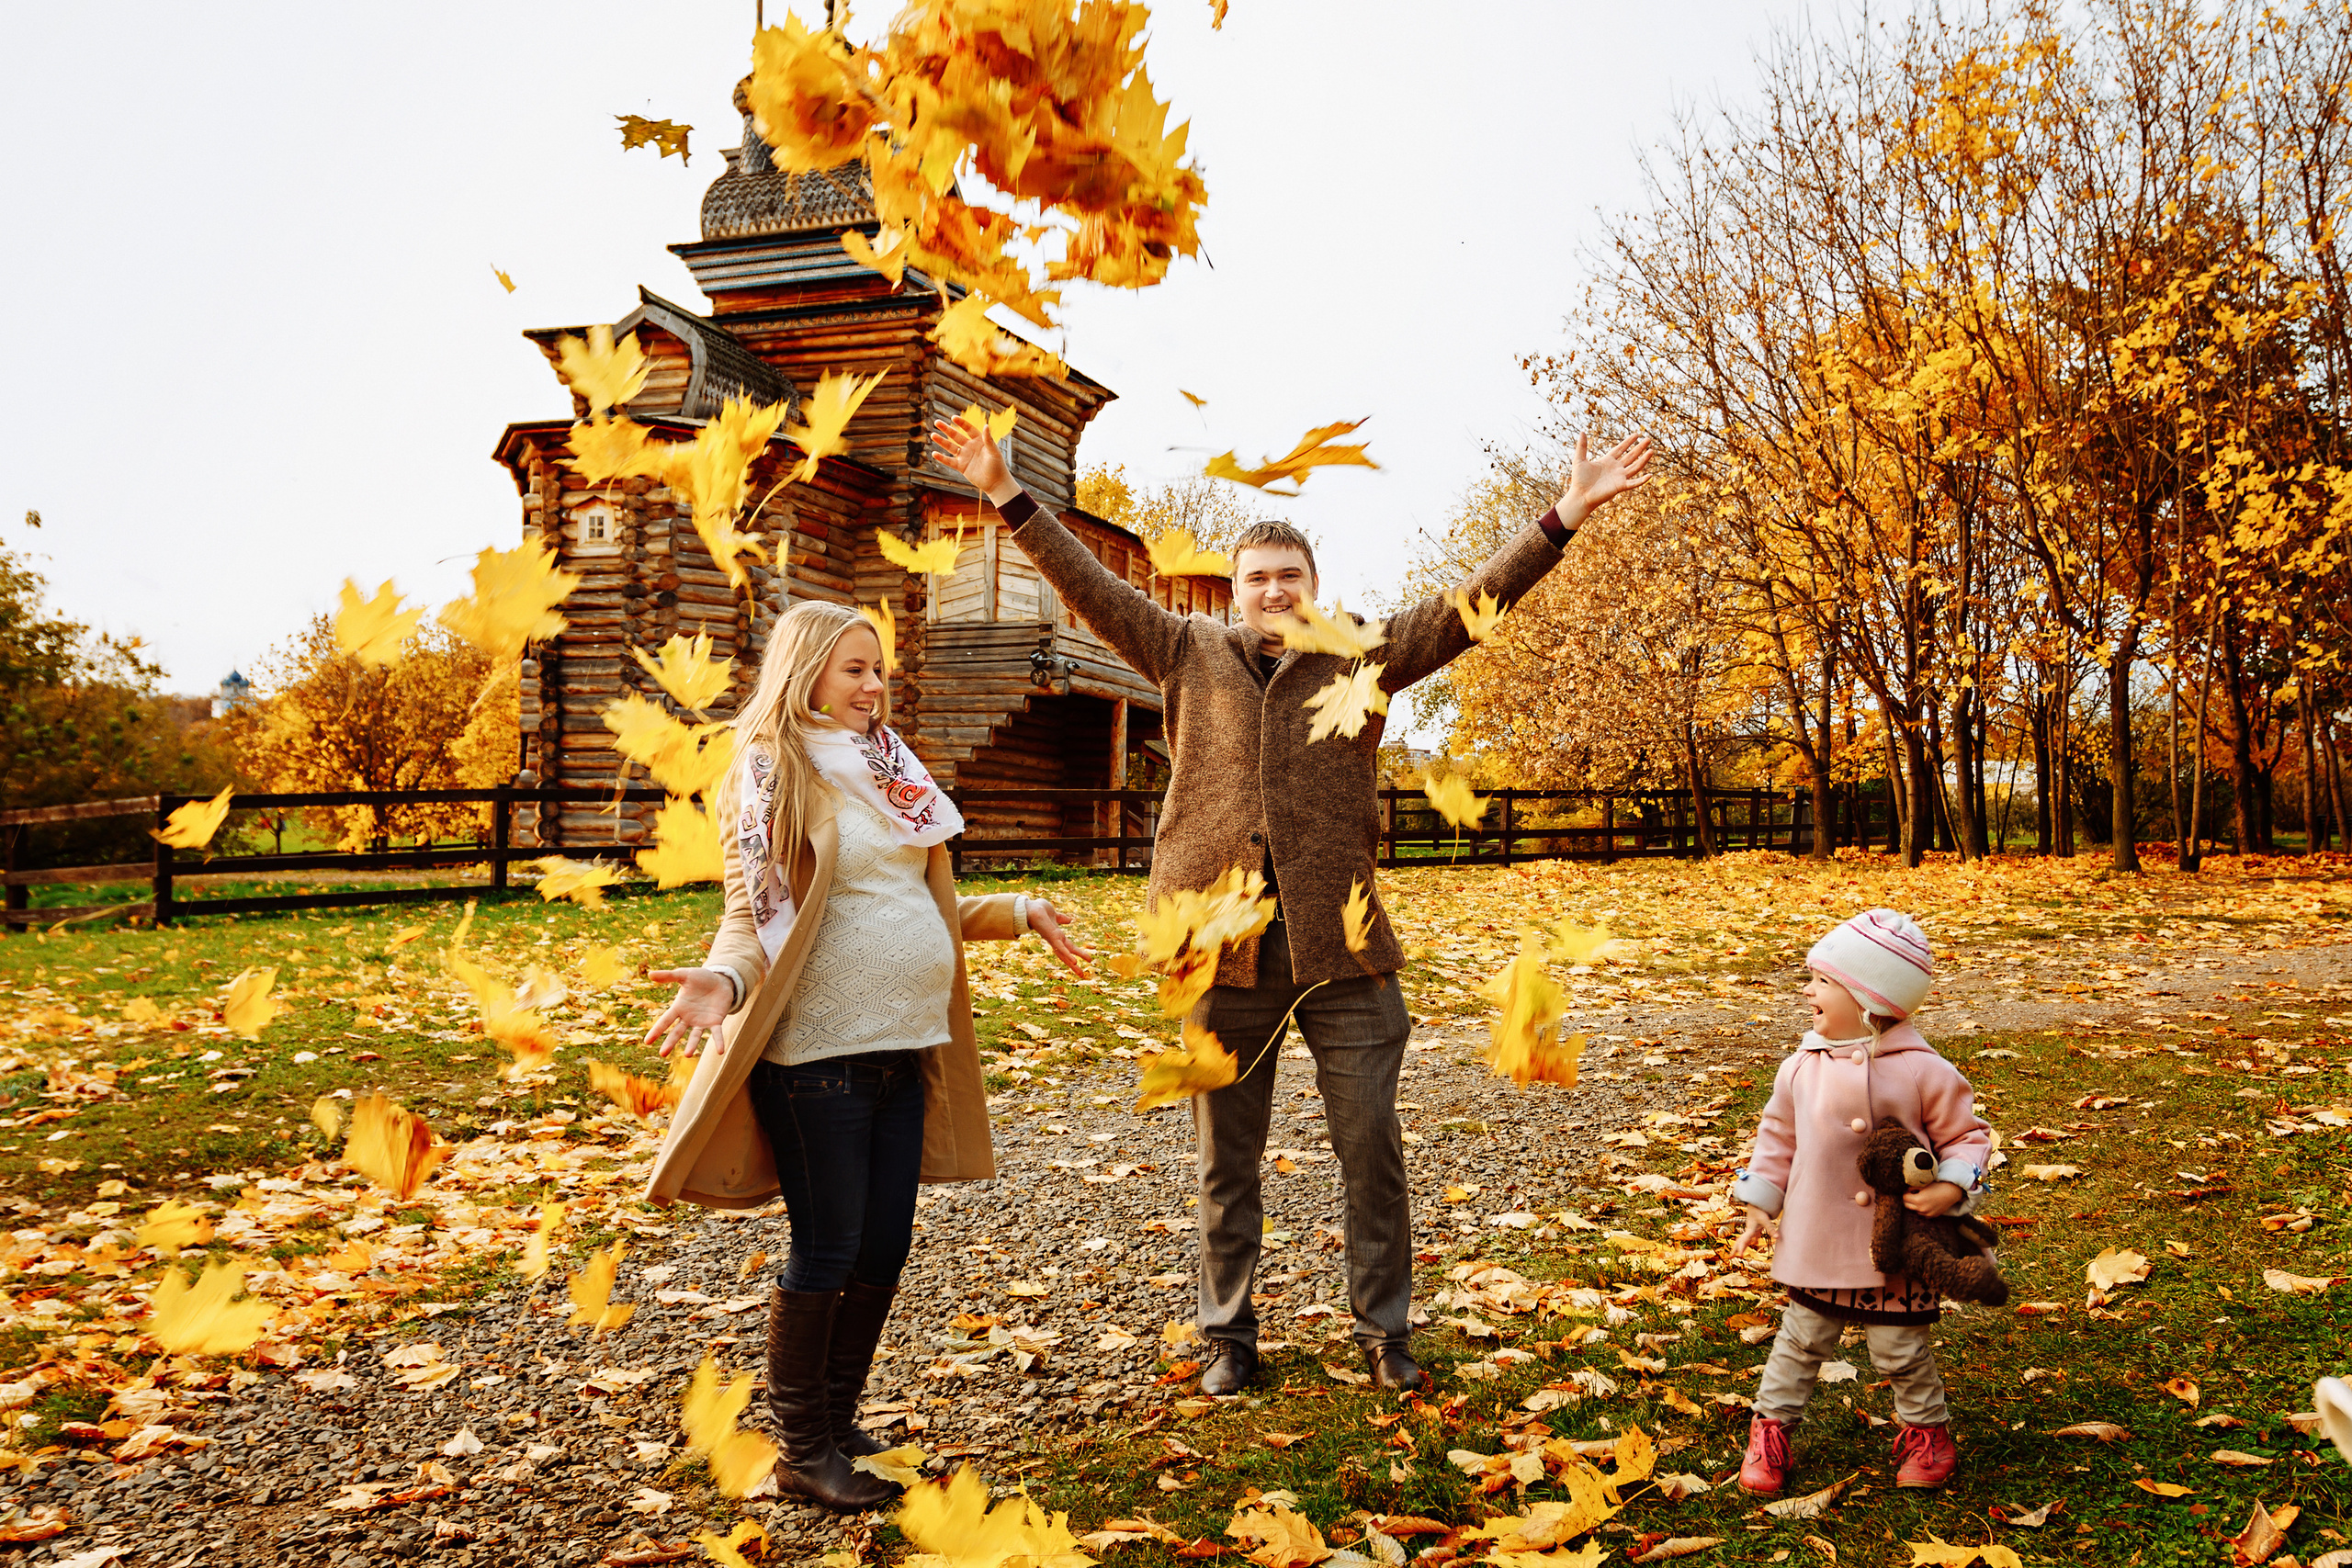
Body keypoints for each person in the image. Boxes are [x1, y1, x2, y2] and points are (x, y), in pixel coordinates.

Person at [929, 417, 1652, 1395]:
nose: (1275, 591)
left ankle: (1384, 1333)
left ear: (1315, 587)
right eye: (1257, 577)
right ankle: (1226, 1336)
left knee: (1372, 1151)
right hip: (1216, 948)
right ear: (1234, 591)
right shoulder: (1181, 647)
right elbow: (1087, 586)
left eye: (1290, 576)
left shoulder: (1362, 653)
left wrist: (1564, 514)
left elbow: (1469, 604)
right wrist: (1010, 493)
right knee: (1227, 1160)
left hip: (1339, 951)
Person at [640, 600, 1090, 1512]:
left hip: (904, 1050)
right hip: (819, 1057)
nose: (874, 686)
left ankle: (837, 1424)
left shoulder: (888, 771)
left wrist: (1011, 913)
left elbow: (900, 901)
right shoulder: (771, 772)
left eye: (877, 669)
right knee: (830, 1248)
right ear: (806, 670)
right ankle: (802, 1449)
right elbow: (753, 915)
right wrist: (722, 987)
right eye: (854, 669)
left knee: (884, 1245)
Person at [1729, 908, 1992, 1494]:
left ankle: (1930, 1436)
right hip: (1819, 1238)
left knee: (1900, 1349)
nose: (1809, 990)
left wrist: (1952, 1184)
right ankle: (1770, 1432)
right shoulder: (1800, 1069)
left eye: (1822, 980)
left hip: (1897, 1247)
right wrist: (1760, 1199)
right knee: (1800, 1340)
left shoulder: (1923, 1071)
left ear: (1869, 997)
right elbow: (1778, 1139)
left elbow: (1967, 1136)